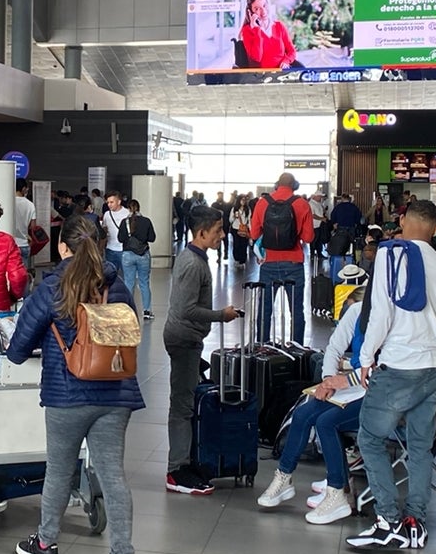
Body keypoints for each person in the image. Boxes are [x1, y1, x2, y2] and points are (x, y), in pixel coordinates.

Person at [8, 215, 142, 554]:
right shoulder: (115, 285)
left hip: (67, 395)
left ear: (62, 247)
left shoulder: (52, 287)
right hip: (116, 394)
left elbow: (18, 349)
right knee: (113, 475)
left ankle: (47, 543)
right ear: (100, 245)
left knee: (59, 470)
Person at [345, 200, 436, 553]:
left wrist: (364, 356)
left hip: (400, 364)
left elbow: (380, 314)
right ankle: (415, 523)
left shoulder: (392, 255)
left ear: (403, 220)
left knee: (371, 439)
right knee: (420, 447)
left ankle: (388, 520)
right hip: (435, 364)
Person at [257, 283, 369, 523]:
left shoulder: (394, 319)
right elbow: (334, 347)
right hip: (352, 388)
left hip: (375, 394)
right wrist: (328, 379)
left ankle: (337, 491)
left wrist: (344, 379)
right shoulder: (357, 311)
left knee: (326, 421)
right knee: (303, 412)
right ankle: (284, 476)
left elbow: (385, 369)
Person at [162, 206, 240, 496]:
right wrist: (222, 314)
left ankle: (185, 462)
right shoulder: (193, 264)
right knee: (181, 407)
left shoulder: (194, 258)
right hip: (183, 339)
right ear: (202, 232)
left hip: (188, 339)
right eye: (218, 230)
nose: (222, 235)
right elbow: (186, 309)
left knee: (185, 402)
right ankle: (176, 470)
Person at [249, 172, 315, 345]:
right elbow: (308, 238)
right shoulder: (302, 204)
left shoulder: (262, 203)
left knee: (264, 310)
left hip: (269, 263)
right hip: (294, 264)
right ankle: (297, 349)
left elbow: (255, 233)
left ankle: (262, 347)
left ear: (276, 185)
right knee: (296, 311)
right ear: (295, 185)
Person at [119, 198, 156, 320]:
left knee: (129, 282)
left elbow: (120, 238)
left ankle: (127, 310)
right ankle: (146, 311)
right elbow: (152, 238)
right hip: (143, 255)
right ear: (139, 208)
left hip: (128, 255)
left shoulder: (125, 222)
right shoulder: (146, 221)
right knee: (144, 283)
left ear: (128, 209)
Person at [238, 0, 297, 69]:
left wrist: (286, 61)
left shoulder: (279, 26)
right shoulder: (247, 30)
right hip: (261, 76)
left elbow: (291, 51)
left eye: (264, 5)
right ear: (250, 12)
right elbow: (257, 57)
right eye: (256, 9)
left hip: (281, 72)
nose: (263, 11)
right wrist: (256, 29)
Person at [11, 177, 38, 274]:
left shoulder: (9, 202)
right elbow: (33, 226)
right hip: (24, 244)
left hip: (10, 244)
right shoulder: (30, 205)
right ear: (23, 189)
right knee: (23, 276)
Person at [98, 192, 126, 273]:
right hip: (110, 249)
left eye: (112, 202)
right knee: (110, 275)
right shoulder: (107, 214)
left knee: (126, 276)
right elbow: (104, 230)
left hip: (123, 250)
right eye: (108, 202)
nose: (109, 205)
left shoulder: (127, 213)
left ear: (119, 202)